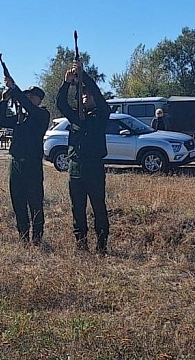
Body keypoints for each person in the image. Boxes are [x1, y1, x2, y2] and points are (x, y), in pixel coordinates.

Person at [55, 63, 111, 254]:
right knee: (77, 208)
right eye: (83, 94)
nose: (85, 96)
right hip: (76, 168)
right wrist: (67, 83)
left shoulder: (102, 114)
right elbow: (61, 104)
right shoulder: (77, 117)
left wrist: (83, 74)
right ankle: (81, 243)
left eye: (88, 94)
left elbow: (97, 93)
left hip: (94, 167)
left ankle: (102, 244)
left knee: (98, 207)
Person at [0, 79, 50, 245]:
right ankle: (23, 235)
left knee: (35, 202)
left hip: (32, 164)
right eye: (27, 96)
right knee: (18, 201)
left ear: (39, 100)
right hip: (16, 162)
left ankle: (37, 237)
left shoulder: (42, 115)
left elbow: (30, 108)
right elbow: (1, 120)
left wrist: (14, 88)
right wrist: (4, 101)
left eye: (32, 97)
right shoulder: (21, 117)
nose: (28, 99)